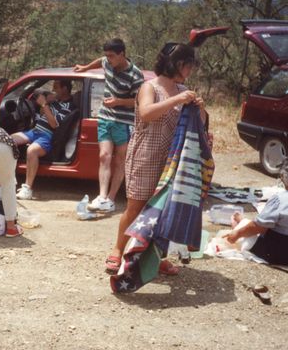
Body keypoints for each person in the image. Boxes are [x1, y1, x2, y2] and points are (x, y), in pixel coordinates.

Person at [105, 42, 205, 274]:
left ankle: (154, 258)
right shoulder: (149, 87)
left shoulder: (182, 90)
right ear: (178, 64)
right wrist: (177, 100)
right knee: (135, 207)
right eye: (189, 65)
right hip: (146, 155)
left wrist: (200, 108)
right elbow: (146, 113)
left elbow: (198, 123)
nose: (190, 70)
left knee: (163, 211)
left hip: (171, 160)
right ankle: (118, 250)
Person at [73, 38, 144, 212]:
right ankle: (102, 196)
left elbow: (139, 101)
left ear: (122, 54)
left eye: (111, 56)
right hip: (104, 118)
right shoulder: (107, 62)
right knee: (104, 156)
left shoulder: (136, 75)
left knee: (120, 161)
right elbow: (100, 61)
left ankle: (111, 199)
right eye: (107, 55)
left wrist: (119, 101)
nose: (108, 59)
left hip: (124, 122)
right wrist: (86, 68)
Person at [12, 80, 75, 200]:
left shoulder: (68, 106)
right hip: (35, 131)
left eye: (56, 87)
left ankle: (27, 189)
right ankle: (7, 178)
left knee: (32, 151)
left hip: (47, 136)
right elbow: (42, 112)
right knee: (8, 141)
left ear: (65, 89)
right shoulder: (56, 102)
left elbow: (54, 124)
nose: (53, 90)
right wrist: (48, 101)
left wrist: (44, 104)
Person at [224, 158, 288, 265]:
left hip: (279, 253)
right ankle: (243, 223)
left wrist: (237, 234)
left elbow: (258, 227)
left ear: (283, 177)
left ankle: (240, 226)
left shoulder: (280, 199)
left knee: (248, 235)